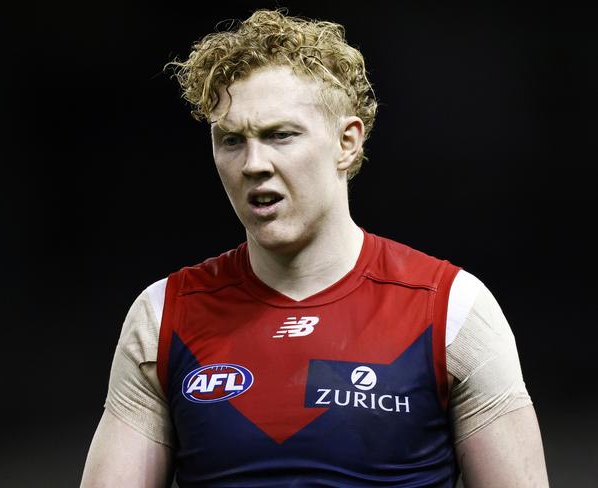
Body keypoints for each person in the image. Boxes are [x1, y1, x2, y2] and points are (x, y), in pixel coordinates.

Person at [81, 9, 549, 487]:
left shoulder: (452, 310)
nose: (253, 163)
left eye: (280, 135)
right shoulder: (164, 317)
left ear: (346, 142)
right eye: (231, 140)